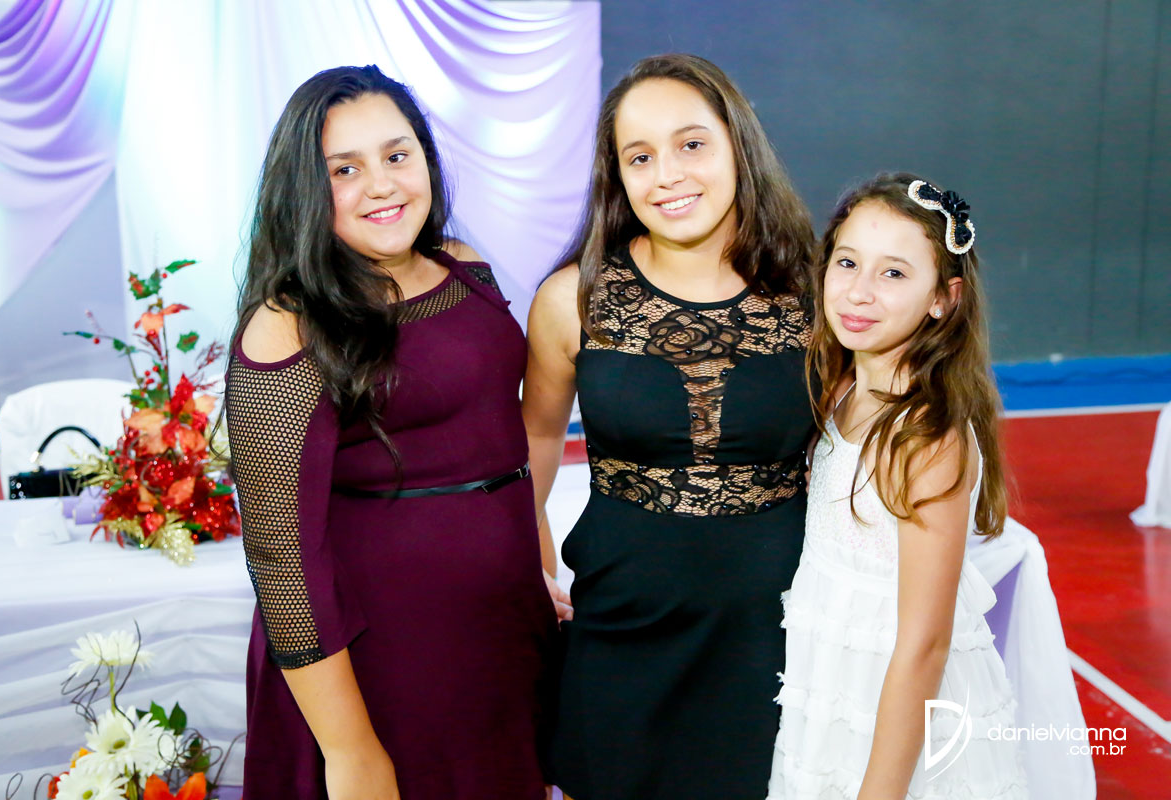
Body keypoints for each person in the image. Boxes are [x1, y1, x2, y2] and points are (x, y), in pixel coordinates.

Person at [224, 65, 557, 800]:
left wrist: (535, 570)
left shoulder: (463, 267)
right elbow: (281, 560)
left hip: (502, 630)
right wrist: (350, 752)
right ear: (304, 191)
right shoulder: (289, 324)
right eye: (344, 169)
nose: (382, 185)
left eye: (397, 155)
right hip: (387, 654)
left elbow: (502, 442)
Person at [523, 54, 816, 800]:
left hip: (779, 636)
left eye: (691, 144)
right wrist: (531, 561)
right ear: (616, 176)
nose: (668, 175)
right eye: (640, 156)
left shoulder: (815, 293)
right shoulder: (572, 300)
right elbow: (534, 443)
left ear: (738, 145)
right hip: (622, 634)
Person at [766, 173, 1027, 799]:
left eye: (893, 273)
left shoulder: (926, 437)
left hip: (897, 712)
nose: (859, 291)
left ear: (943, 298)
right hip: (830, 689)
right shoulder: (842, 389)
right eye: (847, 262)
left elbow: (924, 644)